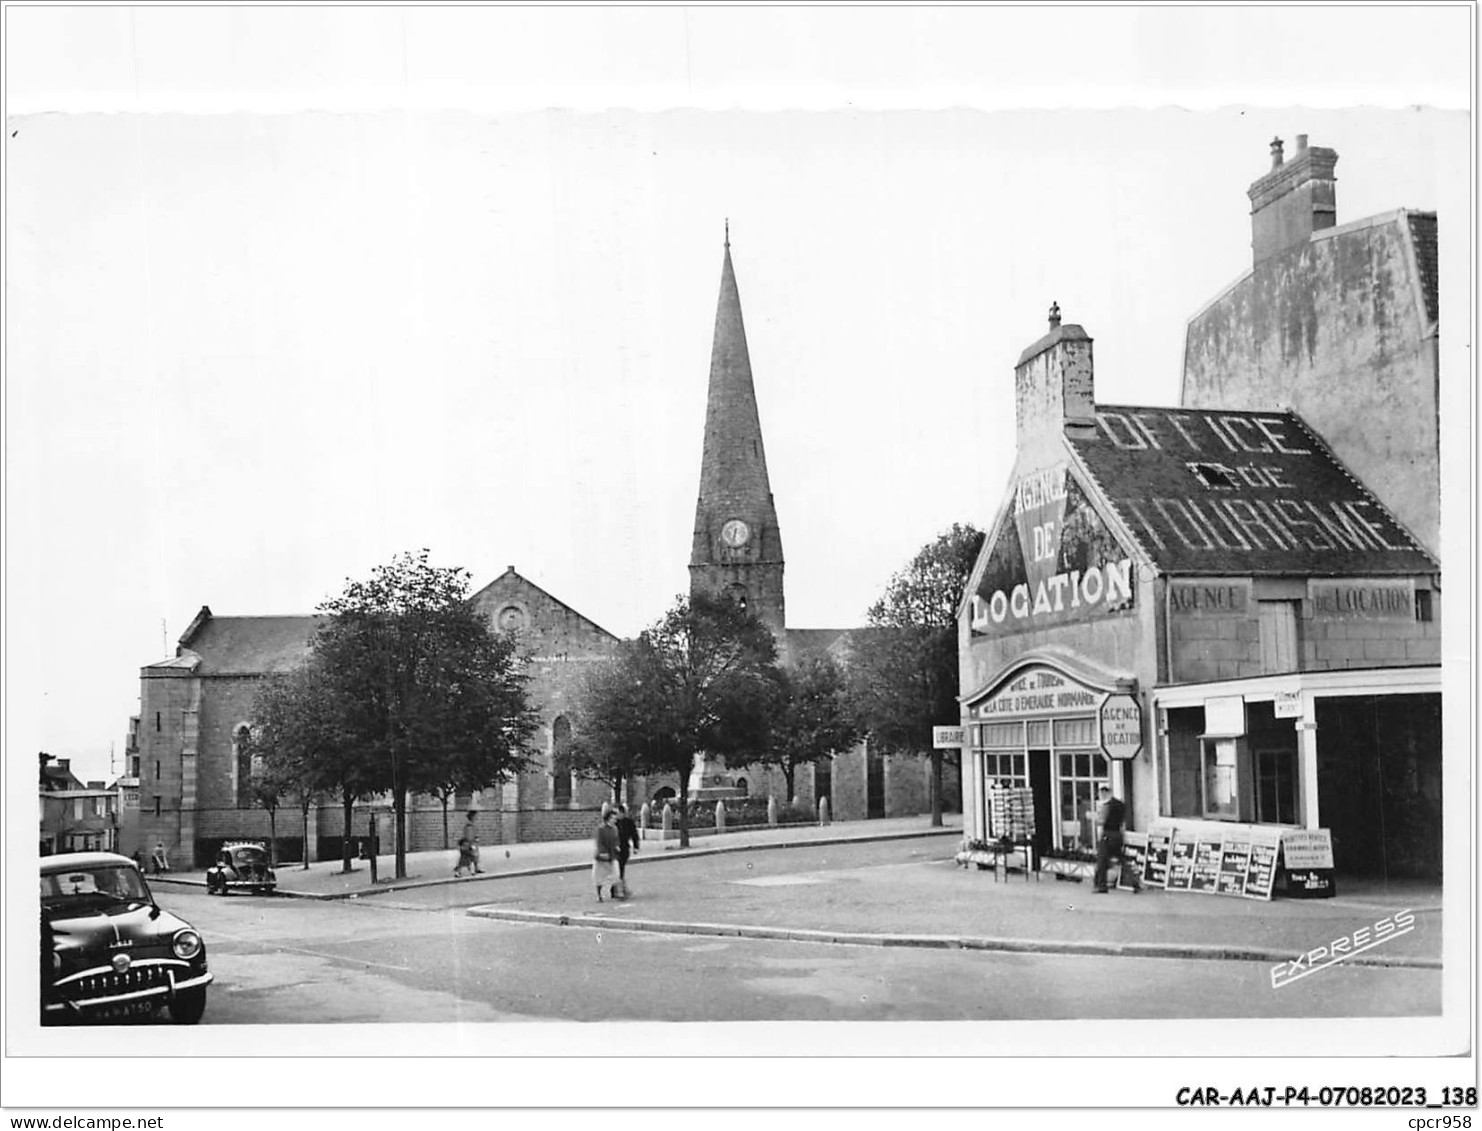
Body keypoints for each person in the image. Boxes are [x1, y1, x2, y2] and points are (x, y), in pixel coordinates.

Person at [1093, 784, 1137, 893]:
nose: (1101, 795)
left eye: (1102, 792)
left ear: (1104, 792)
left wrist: (1094, 818)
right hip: (1118, 834)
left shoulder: (1106, 805)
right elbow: (1123, 819)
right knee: (1122, 859)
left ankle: (1101, 886)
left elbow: (1102, 820)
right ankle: (1135, 882)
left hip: (1107, 834)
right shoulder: (1121, 804)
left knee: (1102, 860)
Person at [593, 809, 620, 901]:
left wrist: (617, 846)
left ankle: (614, 891)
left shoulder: (615, 829)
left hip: (612, 855)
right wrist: (602, 853)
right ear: (608, 818)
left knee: (616, 874)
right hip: (602, 857)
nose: (615, 820)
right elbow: (599, 842)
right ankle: (599, 895)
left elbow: (616, 840)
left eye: (615, 818)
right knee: (599, 876)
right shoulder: (601, 828)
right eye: (613, 818)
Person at [613, 803, 639, 896]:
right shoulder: (614, 822)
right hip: (615, 848)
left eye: (618, 813)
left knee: (621, 867)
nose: (616, 815)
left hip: (624, 848)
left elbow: (634, 835)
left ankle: (617, 889)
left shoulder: (629, 822)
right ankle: (619, 889)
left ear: (623, 813)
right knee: (618, 868)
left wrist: (636, 847)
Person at [454, 810, 482, 878]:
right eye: (475, 816)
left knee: (473, 857)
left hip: (469, 844)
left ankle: (474, 869)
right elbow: (468, 836)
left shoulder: (471, 824)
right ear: (472, 817)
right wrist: (472, 843)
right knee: (465, 858)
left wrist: (475, 839)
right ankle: (458, 872)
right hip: (467, 844)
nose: (476, 817)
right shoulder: (469, 825)